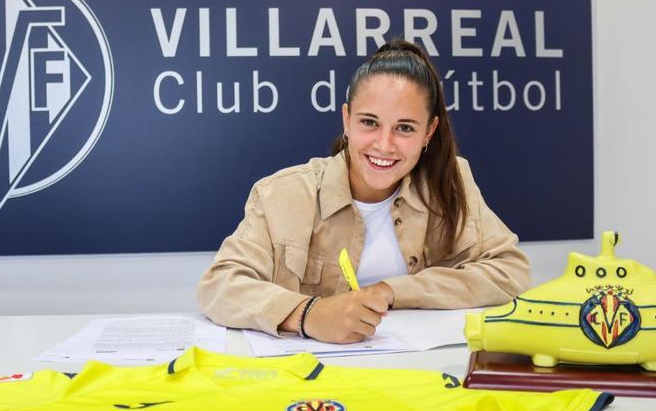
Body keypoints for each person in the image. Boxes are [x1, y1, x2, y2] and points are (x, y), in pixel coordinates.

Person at [197, 39, 531, 344]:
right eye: (369, 122)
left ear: (429, 132)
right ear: (346, 119)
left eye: (404, 128)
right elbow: (220, 286)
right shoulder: (283, 194)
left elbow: (509, 271)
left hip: (423, 373)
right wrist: (307, 315)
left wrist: (392, 291)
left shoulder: (452, 181)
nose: (384, 145)